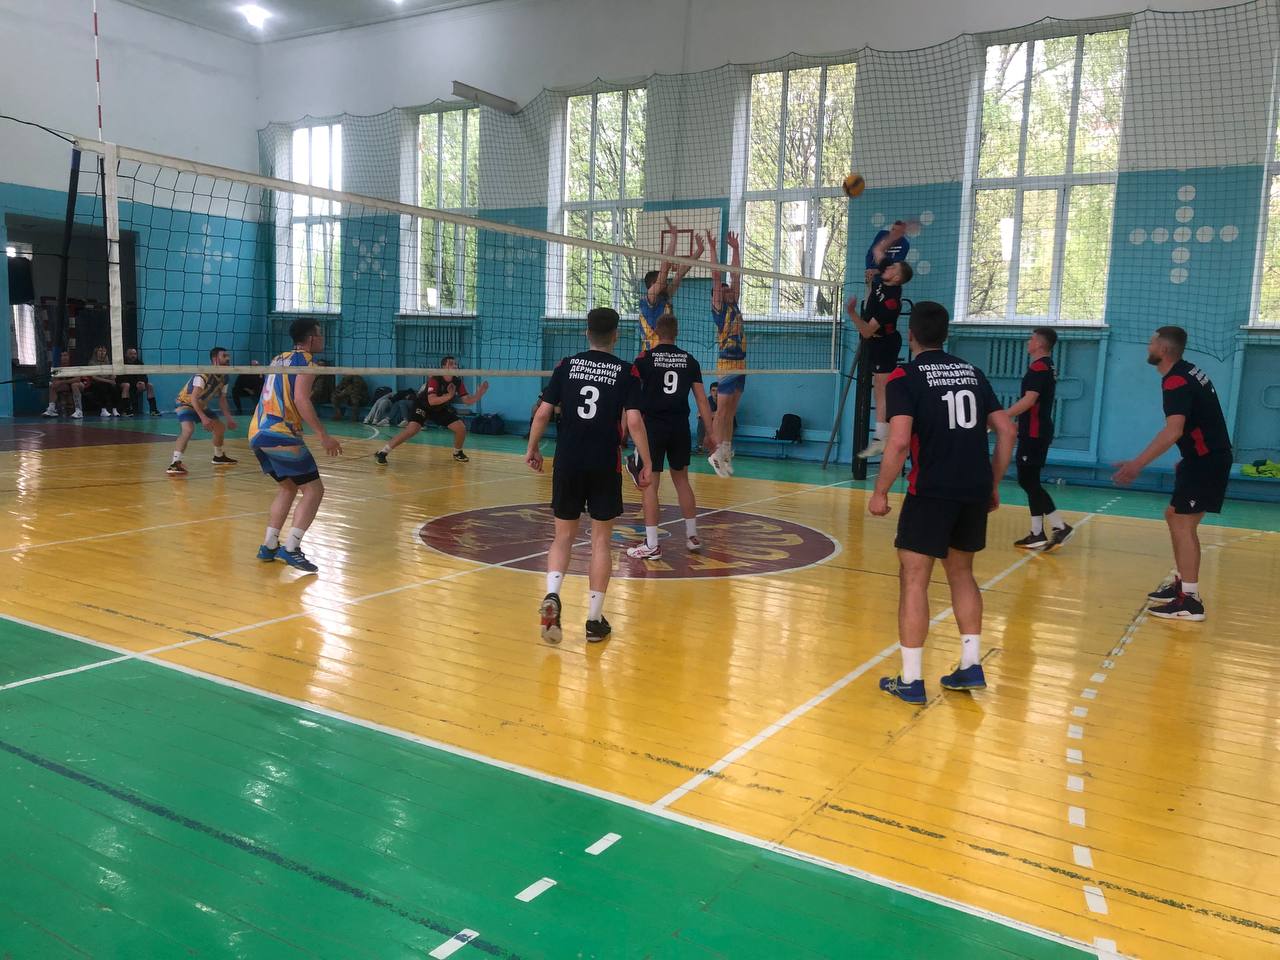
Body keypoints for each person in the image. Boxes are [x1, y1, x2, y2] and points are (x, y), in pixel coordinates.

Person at [868, 301, 1016, 704]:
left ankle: (911, 679)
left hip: (931, 489)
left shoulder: (904, 376)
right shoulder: (972, 372)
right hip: (973, 488)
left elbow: (899, 441)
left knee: (914, 578)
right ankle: (970, 665)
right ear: (945, 334)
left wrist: (880, 491)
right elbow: (1007, 431)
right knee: (962, 573)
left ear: (911, 334)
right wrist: (992, 483)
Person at [527, 307, 652, 643]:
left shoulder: (566, 365)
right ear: (616, 336)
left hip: (568, 459)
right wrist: (646, 460)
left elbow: (543, 413)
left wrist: (532, 448)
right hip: (604, 462)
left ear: (587, 333)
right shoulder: (626, 371)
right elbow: (635, 421)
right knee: (600, 542)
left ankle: (553, 593)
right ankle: (594, 621)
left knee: (562, 537)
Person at [1113, 326, 1233, 622]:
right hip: (1202, 458)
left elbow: (1173, 430)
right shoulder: (1189, 370)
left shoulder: (1177, 380)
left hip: (1206, 460)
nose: (1148, 346)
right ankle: (1182, 584)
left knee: (1183, 523)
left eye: (1151, 342)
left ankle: (1190, 601)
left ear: (1163, 349)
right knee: (1174, 515)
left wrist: (1137, 464)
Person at [248, 318, 343, 574]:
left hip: (257, 431)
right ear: (311, 339)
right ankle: (291, 548)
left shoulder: (278, 358)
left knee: (288, 487)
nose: (323, 339)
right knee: (314, 490)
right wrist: (323, 435)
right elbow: (301, 399)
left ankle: (269, 545)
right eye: (320, 334)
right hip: (280, 433)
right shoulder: (308, 363)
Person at [624, 313, 717, 559]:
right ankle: (692, 536)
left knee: (649, 484)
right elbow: (702, 400)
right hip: (680, 427)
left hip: (652, 428)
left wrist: (623, 430)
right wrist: (710, 433)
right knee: (682, 480)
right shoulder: (689, 360)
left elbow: (630, 398)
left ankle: (652, 544)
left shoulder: (644, 359)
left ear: (655, 331)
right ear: (676, 333)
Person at [847, 235, 914, 459]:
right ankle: (882, 436)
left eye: (892, 267)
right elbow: (877, 250)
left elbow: (867, 331)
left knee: (882, 389)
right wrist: (895, 234)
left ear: (897, 278)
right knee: (878, 388)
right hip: (876, 342)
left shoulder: (891, 303)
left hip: (885, 343)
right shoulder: (885, 276)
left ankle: (881, 438)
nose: (887, 267)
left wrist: (852, 313)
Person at [1006, 327, 1073, 551]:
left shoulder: (1039, 367)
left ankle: (1059, 526)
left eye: (1032, 338)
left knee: (1028, 481)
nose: (1028, 341)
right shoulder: (1046, 366)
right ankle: (1037, 533)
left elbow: (1029, 400)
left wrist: (1004, 416)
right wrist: (1020, 423)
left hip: (1035, 433)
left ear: (1040, 344)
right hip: (1034, 430)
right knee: (1029, 480)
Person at [375, 356, 489, 464]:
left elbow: (467, 401)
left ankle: (457, 452)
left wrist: (479, 394)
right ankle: (383, 452)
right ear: (443, 367)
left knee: (461, 428)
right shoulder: (435, 379)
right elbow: (432, 401)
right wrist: (449, 396)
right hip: (423, 406)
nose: (455, 366)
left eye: (455, 364)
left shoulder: (457, 381)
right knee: (412, 430)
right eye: (451, 364)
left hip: (439, 408)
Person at [706, 230, 744, 477]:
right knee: (721, 412)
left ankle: (726, 450)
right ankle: (716, 453)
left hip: (741, 364)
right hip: (727, 364)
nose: (729, 290)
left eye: (729, 289)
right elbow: (717, 275)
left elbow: (736, 275)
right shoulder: (719, 309)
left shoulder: (734, 303)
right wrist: (712, 248)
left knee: (731, 412)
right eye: (723, 290)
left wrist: (736, 249)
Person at [167, 346, 238, 476]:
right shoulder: (203, 374)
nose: (228, 359)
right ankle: (174, 463)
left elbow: (222, 400)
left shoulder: (225, 377)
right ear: (215, 359)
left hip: (200, 404)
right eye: (224, 356)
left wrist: (229, 418)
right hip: (186, 403)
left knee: (220, 428)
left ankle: (218, 457)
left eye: (228, 356)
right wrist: (204, 418)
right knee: (188, 430)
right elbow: (193, 398)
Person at [639, 217, 702, 351]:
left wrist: (699, 251)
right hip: (651, 353)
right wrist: (674, 238)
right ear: (652, 283)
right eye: (662, 280)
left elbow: (680, 273)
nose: (666, 282)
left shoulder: (665, 296)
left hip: (667, 350)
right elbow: (665, 267)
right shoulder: (650, 297)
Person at [864, 220, 911, 286]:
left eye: (897, 231)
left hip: (889, 281)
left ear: (902, 233)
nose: (894, 232)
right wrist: (869, 269)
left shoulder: (905, 244)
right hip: (873, 277)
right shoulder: (882, 234)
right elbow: (870, 253)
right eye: (893, 229)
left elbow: (894, 267)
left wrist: (875, 271)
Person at [118, 347, 160, 417]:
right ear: (126, 355)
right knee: (126, 385)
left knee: (150, 385)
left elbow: (144, 377)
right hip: (123, 385)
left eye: (135, 354)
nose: (133, 356)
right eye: (130, 354)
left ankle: (153, 410)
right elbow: (120, 379)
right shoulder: (122, 364)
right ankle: (126, 411)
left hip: (136, 385)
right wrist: (136, 383)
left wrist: (142, 382)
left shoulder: (140, 363)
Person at [43, 350, 84, 419]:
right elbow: (53, 379)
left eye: (66, 355)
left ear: (69, 356)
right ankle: (51, 409)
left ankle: (79, 411)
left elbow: (78, 379)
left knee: (74, 385)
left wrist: (61, 382)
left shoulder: (74, 365)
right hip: (66, 385)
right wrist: (55, 382)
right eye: (62, 356)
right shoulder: (57, 367)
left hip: (79, 384)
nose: (64, 357)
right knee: (52, 385)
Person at [84, 345, 121, 417]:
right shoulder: (92, 363)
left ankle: (114, 409)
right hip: (96, 383)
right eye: (100, 351)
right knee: (102, 387)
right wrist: (108, 381)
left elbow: (112, 373)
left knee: (115, 387)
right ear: (96, 352)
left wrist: (113, 376)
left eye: (104, 351)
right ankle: (103, 410)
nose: (102, 353)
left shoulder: (107, 362)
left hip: (107, 382)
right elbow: (94, 377)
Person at [696, 382, 718, 452]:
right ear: (710, 392)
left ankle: (717, 447)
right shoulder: (708, 400)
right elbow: (698, 414)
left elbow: (722, 415)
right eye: (713, 390)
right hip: (712, 423)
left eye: (718, 391)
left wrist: (707, 414)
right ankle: (700, 446)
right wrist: (712, 415)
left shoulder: (724, 400)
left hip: (725, 424)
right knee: (701, 420)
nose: (716, 393)